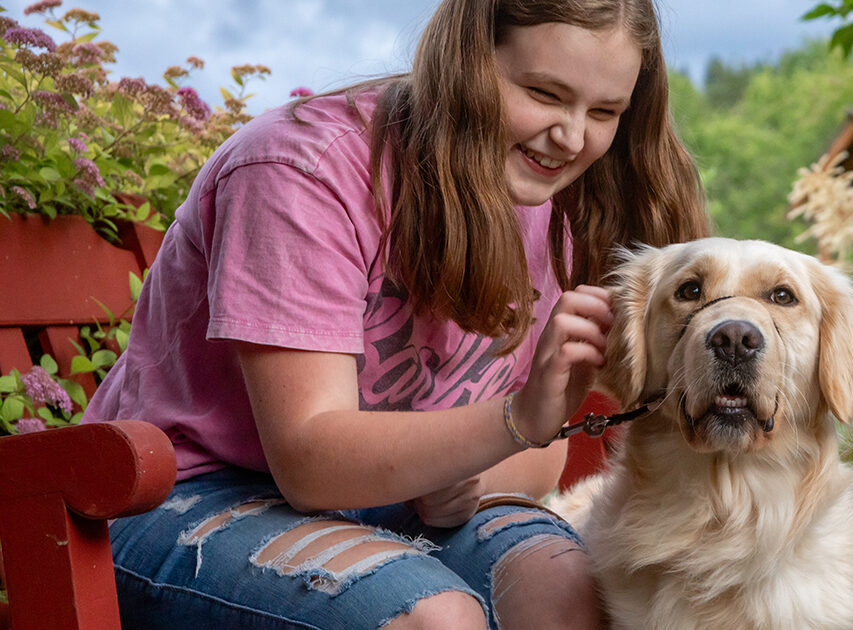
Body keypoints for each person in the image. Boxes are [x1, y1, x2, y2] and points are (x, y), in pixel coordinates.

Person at [81, 0, 709, 628]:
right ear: (466, 61)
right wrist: (513, 422)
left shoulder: (553, 202)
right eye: (544, 93)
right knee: (435, 619)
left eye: (604, 112)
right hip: (179, 497)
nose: (572, 137)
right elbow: (310, 461)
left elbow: (538, 450)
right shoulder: (303, 170)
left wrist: (468, 473)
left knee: (568, 595)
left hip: (392, 501)